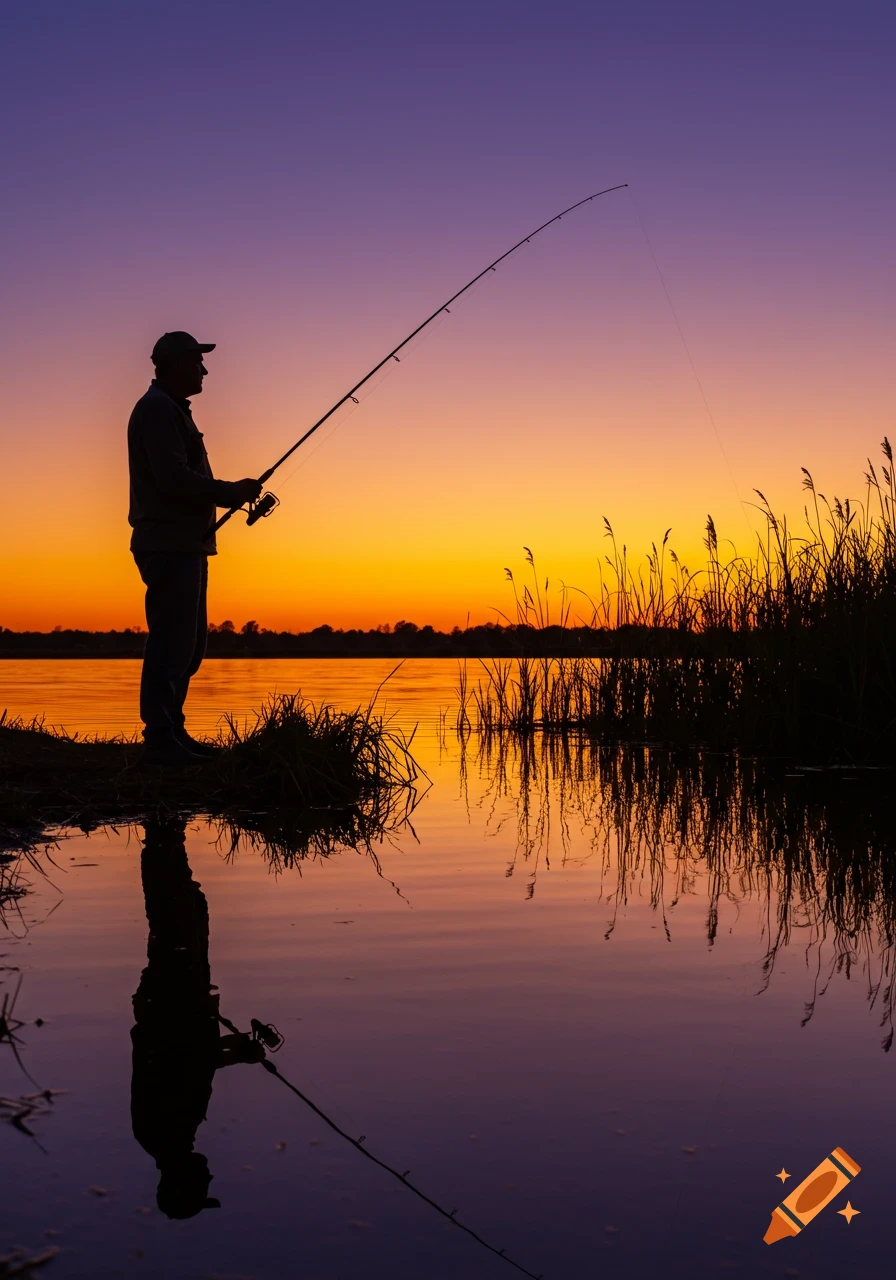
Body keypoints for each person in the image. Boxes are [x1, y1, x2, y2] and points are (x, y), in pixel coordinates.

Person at [128, 332, 261, 764]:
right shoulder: (157, 411)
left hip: (188, 545)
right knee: (172, 640)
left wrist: (228, 494)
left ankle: (173, 731)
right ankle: (161, 738)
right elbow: (174, 480)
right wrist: (230, 492)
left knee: (191, 644)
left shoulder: (172, 411)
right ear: (174, 364)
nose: (204, 370)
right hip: (169, 545)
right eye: (197, 361)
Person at [131, 816, 264, 1218]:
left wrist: (235, 1052)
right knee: (189, 907)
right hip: (178, 1001)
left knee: (175, 914)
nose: (208, 1180)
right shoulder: (173, 1136)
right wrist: (235, 1051)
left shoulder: (165, 1134)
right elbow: (192, 1060)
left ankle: (162, 832)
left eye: (200, 1188)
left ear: (181, 1183)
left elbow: (181, 1058)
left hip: (172, 999)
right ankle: (167, 831)